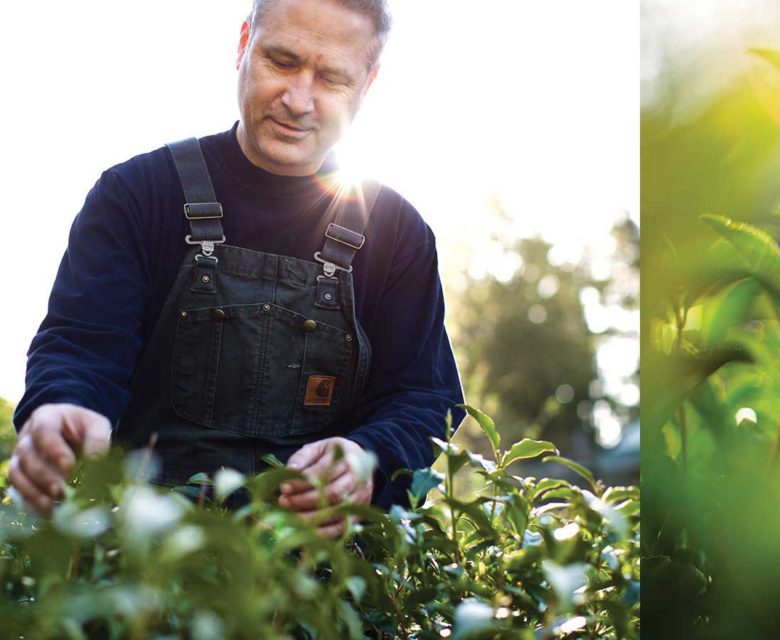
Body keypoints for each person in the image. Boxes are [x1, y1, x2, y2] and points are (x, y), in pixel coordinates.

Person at [6, 0, 464, 539]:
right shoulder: (136, 195)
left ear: (368, 83)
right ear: (244, 43)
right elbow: (83, 347)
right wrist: (64, 407)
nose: (298, 101)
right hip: (140, 558)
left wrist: (370, 459)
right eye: (282, 61)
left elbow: (422, 398)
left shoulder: (398, 233)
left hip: (320, 576)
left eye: (333, 78)